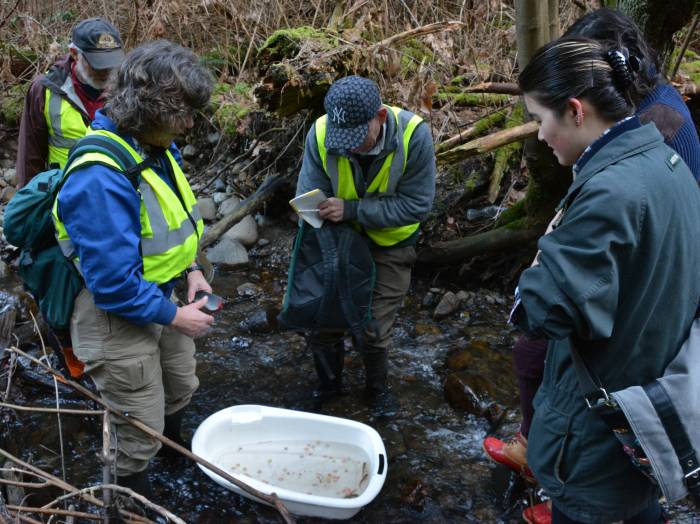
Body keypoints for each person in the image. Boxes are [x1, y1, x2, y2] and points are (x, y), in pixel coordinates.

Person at [483, 7, 700, 506]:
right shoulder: (659, 155)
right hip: (644, 392)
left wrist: (542, 263)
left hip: (600, 427)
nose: (538, 135)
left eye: (540, 119)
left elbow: (536, 310)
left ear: (577, 110)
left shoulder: (612, 189)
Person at [52, 40, 214, 497]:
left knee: (181, 386)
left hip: (163, 294)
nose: (189, 124)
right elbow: (111, 285)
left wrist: (193, 273)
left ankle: (173, 463)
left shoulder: (157, 146)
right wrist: (177, 316)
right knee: (139, 426)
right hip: (114, 313)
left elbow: (174, 225)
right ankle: (129, 501)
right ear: (148, 110)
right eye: (181, 114)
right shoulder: (99, 175)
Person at [295, 75, 436, 412]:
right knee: (323, 318)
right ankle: (328, 390)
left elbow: (417, 205)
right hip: (335, 240)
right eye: (341, 138)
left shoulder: (415, 136)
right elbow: (307, 198)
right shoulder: (320, 132)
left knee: (372, 327)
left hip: (391, 244)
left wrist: (353, 210)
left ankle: (377, 390)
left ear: (381, 117)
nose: (347, 146)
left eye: (357, 138)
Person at [17, 17, 124, 187]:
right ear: (74, 54)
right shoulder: (44, 89)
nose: (106, 71)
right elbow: (30, 157)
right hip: (64, 195)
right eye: (97, 64)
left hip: (117, 192)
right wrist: (29, 204)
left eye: (111, 64)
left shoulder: (128, 88)